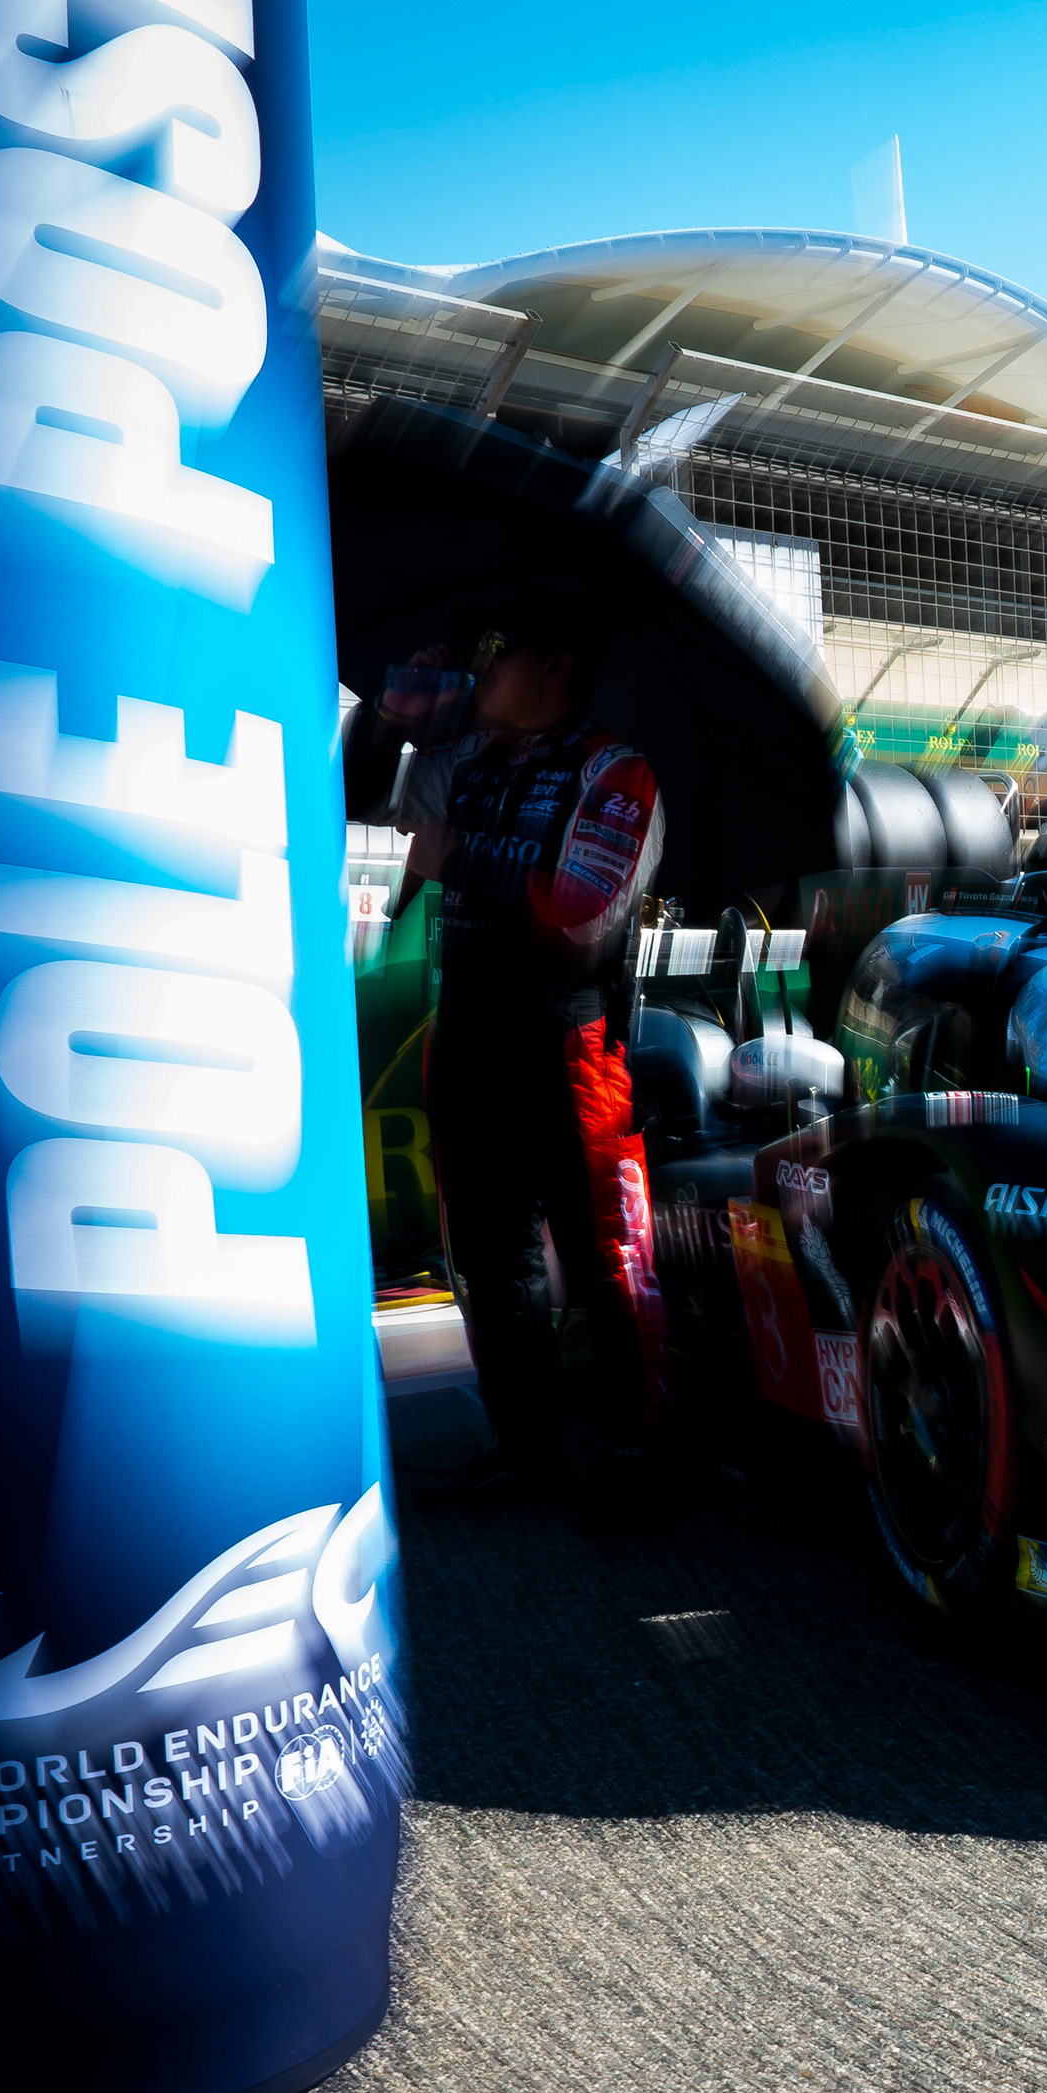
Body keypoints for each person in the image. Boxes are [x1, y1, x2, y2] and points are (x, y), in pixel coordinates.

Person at [347, 584, 669, 1519]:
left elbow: (581, 922)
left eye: (502, 647)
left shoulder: (618, 771)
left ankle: (635, 1456)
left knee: (600, 1255)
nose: (482, 663)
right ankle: (529, 1454)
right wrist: (386, 718)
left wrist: (459, 861)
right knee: (489, 1260)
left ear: (556, 664)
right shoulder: (472, 758)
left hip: (566, 1036)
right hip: (471, 1026)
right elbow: (365, 797)